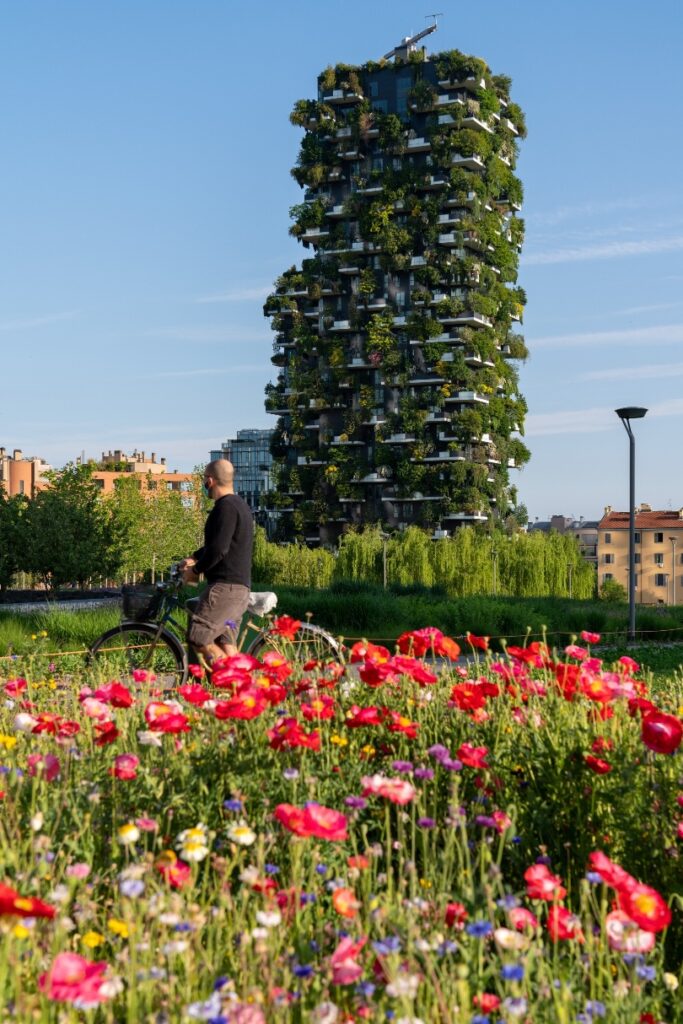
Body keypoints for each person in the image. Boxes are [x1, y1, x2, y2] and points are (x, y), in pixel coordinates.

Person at [179, 459, 254, 667]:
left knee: (198, 636)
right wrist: (194, 556)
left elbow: (218, 550)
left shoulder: (225, 507)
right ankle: (241, 692)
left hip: (224, 589)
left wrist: (195, 570)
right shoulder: (240, 506)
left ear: (210, 480)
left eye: (204, 479)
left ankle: (234, 679)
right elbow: (219, 543)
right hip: (238, 588)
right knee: (226, 643)